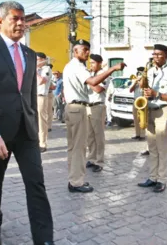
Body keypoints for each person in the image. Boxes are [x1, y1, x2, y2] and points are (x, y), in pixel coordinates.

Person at [0, 1, 54, 245]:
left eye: (23, 19)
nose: (21, 23)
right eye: (15, 18)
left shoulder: (29, 53)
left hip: (26, 131)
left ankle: (44, 239)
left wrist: (37, 131)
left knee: (36, 184)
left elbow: (27, 96)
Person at [63, 39, 125, 193]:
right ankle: (76, 182)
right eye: (84, 49)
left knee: (74, 147)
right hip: (78, 108)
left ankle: (74, 178)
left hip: (74, 108)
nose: (87, 52)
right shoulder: (77, 66)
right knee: (79, 147)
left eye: (88, 49)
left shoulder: (71, 66)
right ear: (75, 51)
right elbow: (93, 82)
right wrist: (113, 69)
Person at [137, 44, 167, 193]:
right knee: (152, 147)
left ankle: (161, 180)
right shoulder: (149, 71)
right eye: (154, 54)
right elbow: (144, 88)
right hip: (149, 110)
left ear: (166, 56)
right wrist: (142, 82)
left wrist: (157, 94)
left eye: (159, 54)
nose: (155, 57)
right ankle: (152, 177)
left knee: (162, 147)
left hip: (163, 109)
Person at [85, 54, 107, 173]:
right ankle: (92, 158)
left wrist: (87, 81)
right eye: (90, 62)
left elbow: (98, 89)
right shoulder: (90, 75)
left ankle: (100, 161)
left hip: (98, 106)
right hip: (88, 106)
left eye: (93, 63)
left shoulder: (104, 74)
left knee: (99, 135)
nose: (91, 65)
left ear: (99, 63)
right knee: (90, 135)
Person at [129, 66, 148, 156]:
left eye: (140, 73)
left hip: (143, 101)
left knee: (142, 119)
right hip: (136, 101)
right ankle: (137, 134)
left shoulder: (145, 81)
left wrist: (141, 81)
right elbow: (130, 90)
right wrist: (135, 82)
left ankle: (142, 135)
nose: (139, 75)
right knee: (136, 119)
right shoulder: (135, 82)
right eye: (138, 73)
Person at [36, 52, 52, 152]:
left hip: (41, 96)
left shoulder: (47, 69)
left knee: (41, 121)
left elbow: (41, 81)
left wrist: (34, 71)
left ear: (42, 60)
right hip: (31, 96)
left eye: (37, 59)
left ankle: (42, 143)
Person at [46, 63, 56, 133]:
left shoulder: (52, 76)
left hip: (48, 94)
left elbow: (54, 86)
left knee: (49, 111)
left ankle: (49, 126)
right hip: (41, 94)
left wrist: (46, 86)